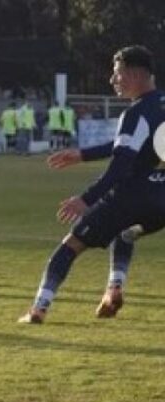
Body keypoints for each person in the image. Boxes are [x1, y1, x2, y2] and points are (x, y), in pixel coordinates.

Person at [19, 46, 165, 324]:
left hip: (132, 196)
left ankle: (39, 308)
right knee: (126, 233)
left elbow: (121, 165)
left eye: (117, 74)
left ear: (134, 74)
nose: (113, 81)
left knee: (70, 245)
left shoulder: (136, 113)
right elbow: (135, 145)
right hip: (162, 200)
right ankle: (114, 289)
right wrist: (83, 154)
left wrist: (86, 199)